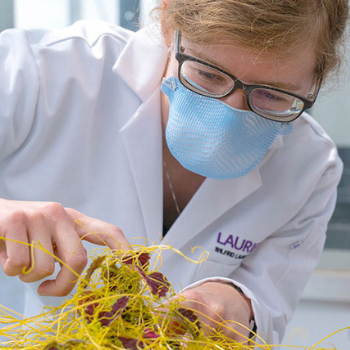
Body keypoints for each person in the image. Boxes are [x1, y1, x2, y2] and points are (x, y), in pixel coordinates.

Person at [0, 0, 348, 346]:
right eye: (208, 74)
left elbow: (266, 307)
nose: (230, 117)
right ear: (169, 25)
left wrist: (238, 302)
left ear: (315, 79)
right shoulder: (37, 72)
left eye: (272, 95)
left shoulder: (310, 169)